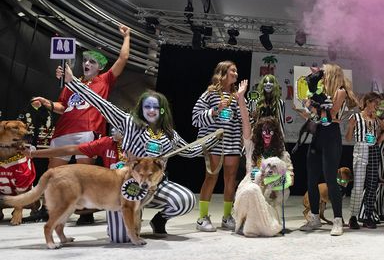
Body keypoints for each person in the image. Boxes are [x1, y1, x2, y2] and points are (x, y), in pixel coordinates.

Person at [59, 63, 219, 237]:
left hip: (155, 187)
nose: (151, 110)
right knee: (120, 238)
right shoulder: (127, 122)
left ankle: (159, 220)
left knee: (184, 200)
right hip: (126, 186)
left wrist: (212, 139)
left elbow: (190, 151)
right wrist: (72, 82)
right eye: (147, 106)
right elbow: (100, 104)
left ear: (162, 110)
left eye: (156, 107)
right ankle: (131, 217)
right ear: (141, 108)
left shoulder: (170, 134)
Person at [29, 25, 130, 224]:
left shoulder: (105, 80)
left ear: (100, 67)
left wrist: (127, 36)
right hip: (63, 131)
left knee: (87, 173)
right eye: (85, 60)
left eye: (92, 61)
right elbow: (62, 106)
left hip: (88, 130)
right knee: (53, 173)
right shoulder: (72, 83)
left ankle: (86, 212)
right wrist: (46, 102)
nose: (87, 63)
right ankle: (48, 210)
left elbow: (123, 59)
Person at [299, 63, 358, 236]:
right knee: (311, 180)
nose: (321, 75)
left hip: (331, 138)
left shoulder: (340, 91)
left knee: (331, 179)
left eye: (324, 72)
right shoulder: (319, 92)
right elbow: (314, 115)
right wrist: (308, 104)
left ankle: (338, 219)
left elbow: (330, 114)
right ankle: (315, 217)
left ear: (332, 74)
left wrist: (313, 107)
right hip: (317, 137)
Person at [233, 79, 294, 236]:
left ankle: (264, 221)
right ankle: (249, 221)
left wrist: (269, 181)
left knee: (283, 192)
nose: (267, 134)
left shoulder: (282, 154)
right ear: (259, 133)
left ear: (276, 134)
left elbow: (290, 179)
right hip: (250, 189)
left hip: (269, 193)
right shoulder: (252, 147)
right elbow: (246, 122)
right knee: (252, 189)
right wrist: (241, 98)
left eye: (271, 131)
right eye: (264, 131)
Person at [192, 61, 243, 232]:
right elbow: (195, 118)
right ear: (222, 73)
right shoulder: (210, 93)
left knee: (230, 180)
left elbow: (242, 121)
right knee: (211, 177)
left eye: (236, 71)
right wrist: (214, 111)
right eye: (232, 71)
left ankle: (227, 217)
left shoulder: (237, 96)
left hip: (233, 143)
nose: (236, 74)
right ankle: (202, 218)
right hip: (214, 143)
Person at [345, 92, 384, 229]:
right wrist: (351, 127)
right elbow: (348, 138)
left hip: (374, 150)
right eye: (376, 103)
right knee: (358, 186)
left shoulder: (375, 120)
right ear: (368, 102)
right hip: (361, 149)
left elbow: (379, 139)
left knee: (372, 185)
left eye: (379, 104)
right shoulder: (356, 117)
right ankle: (353, 217)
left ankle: (368, 216)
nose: (377, 106)